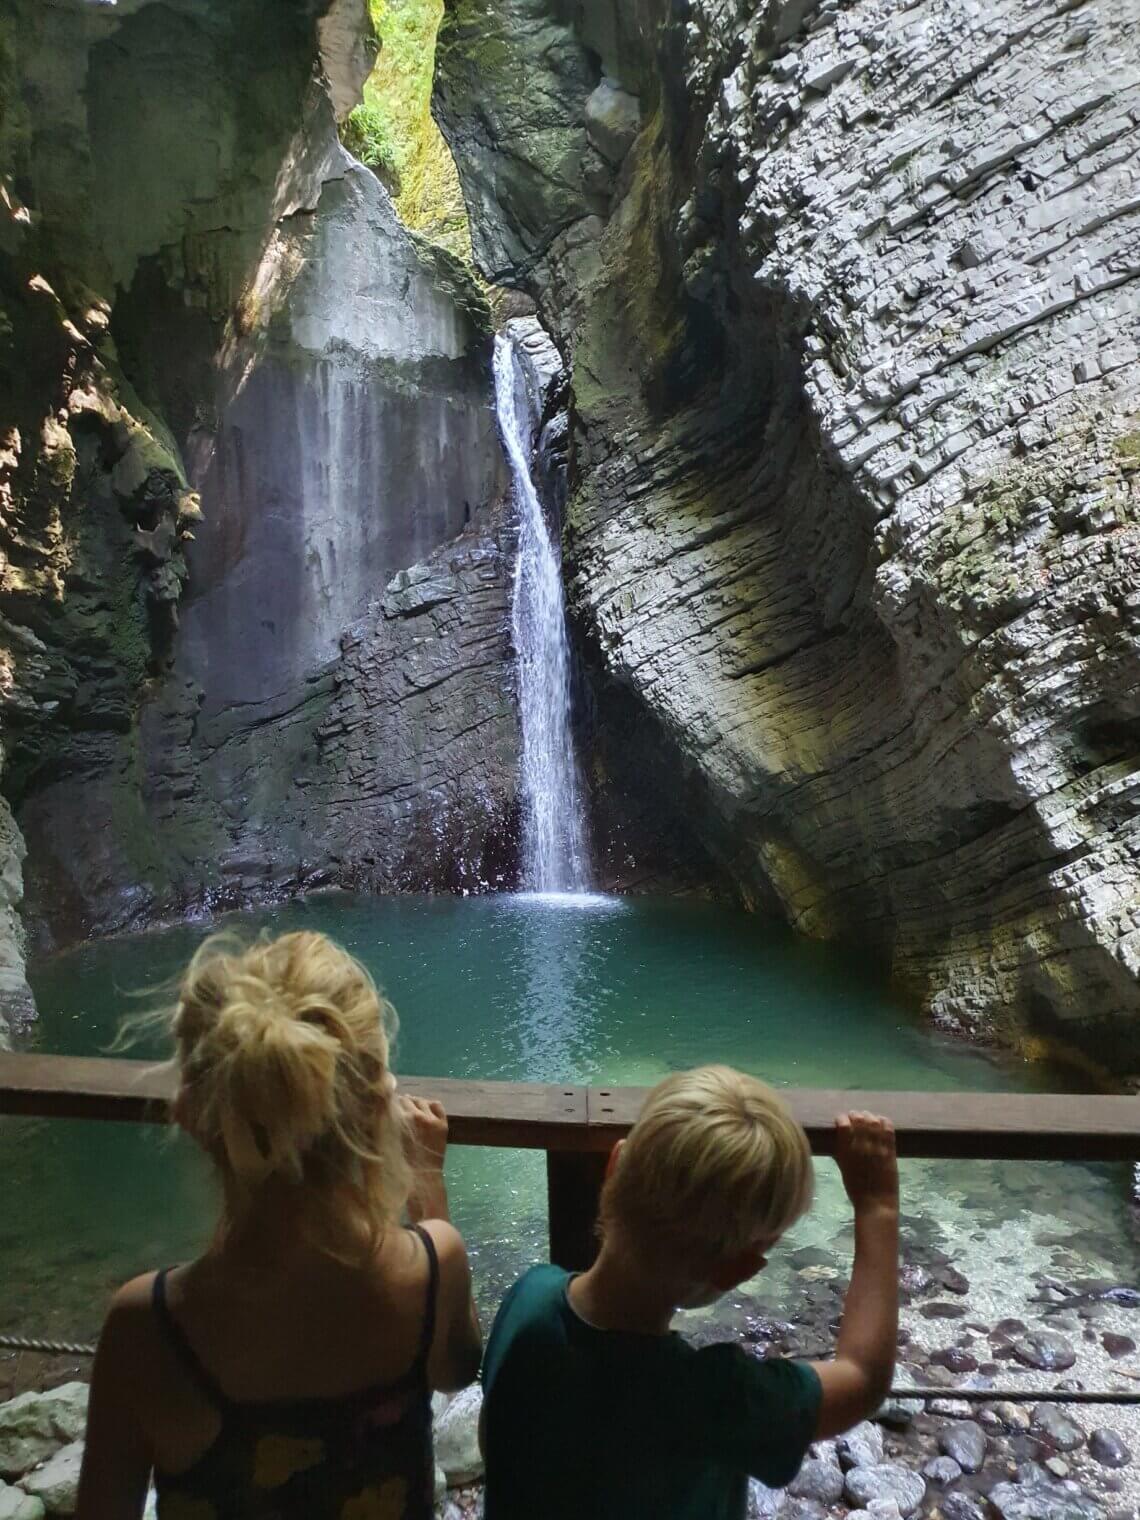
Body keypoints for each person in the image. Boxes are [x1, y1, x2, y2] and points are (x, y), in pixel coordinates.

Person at [77, 930, 482, 1520]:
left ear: (192, 1119)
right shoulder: (432, 1267)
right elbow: (456, 1369)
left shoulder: (144, 1327)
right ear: (379, 1110)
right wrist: (428, 1189)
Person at [480, 1064, 898, 1520]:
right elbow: (862, 1378)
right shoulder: (713, 1397)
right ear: (738, 1271)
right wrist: (877, 1206)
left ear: (615, 1164)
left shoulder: (527, 1299)